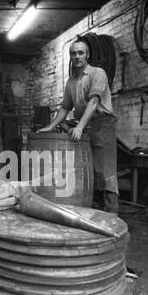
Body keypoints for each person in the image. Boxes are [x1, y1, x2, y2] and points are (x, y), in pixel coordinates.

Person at [37, 39, 119, 214]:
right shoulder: (71, 81)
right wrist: (51, 126)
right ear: (70, 56)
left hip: (102, 122)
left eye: (80, 53)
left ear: (87, 55)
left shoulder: (98, 73)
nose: (77, 56)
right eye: (73, 53)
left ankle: (112, 212)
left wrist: (80, 127)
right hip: (84, 122)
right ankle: (92, 202)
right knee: (66, 127)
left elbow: (94, 101)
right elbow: (65, 107)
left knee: (105, 168)